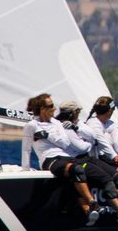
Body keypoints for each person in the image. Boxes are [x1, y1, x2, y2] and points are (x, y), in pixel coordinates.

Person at [21, 93, 100, 223]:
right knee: (76, 170)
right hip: (49, 159)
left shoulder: (57, 123)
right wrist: (25, 170)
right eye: (51, 106)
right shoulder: (32, 125)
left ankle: (87, 211)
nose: (54, 108)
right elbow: (26, 149)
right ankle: (92, 203)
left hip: (65, 157)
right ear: (42, 109)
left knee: (87, 170)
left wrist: (47, 135)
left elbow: (65, 143)